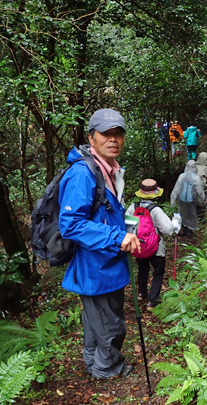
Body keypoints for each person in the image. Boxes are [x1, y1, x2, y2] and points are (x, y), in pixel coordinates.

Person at [59, 108, 140, 380]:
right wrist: (118, 237)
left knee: (96, 321)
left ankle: (94, 364)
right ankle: (107, 370)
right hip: (96, 267)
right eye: (106, 134)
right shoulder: (83, 174)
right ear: (92, 138)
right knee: (110, 324)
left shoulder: (108, 171)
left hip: (106, 262)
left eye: (118, 134)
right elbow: (70, 224)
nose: (113, 139)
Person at [125, 179, 176, 310]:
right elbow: (167, 229)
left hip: (139, 246)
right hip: (155, 248)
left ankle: (141, 293)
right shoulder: (155, 210)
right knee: (158, 272)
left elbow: (127, 227)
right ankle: (152, 301)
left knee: (142, 269)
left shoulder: (133, 207)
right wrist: (175, 225)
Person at [170, 160, 206, 235]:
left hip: (181, 199)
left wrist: (173, 200)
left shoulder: (181, 176)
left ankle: (183, 229)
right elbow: (200, 191)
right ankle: (189, 231)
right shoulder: (196, 178)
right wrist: (202, 199)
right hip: (191, 200)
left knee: (182, 214)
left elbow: (176, 189)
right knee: (191, 215)